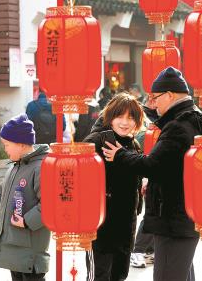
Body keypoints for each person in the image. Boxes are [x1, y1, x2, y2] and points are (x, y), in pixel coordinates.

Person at [102, 67, 202, 281]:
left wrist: (120, 154)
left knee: (167, 276)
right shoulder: (197, 119)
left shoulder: (178, 127)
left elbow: (152, 164)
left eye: (155, 98)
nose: (152, 103)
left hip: (173, 218)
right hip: (189, 213)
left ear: (170, 95)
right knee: (182, 273)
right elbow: (170, 164)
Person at [0, 114, 51, 281]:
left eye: (6, 145)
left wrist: (27, 221)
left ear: (20, 144)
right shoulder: (13, 168)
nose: (5, 149)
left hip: (30, 253)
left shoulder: (41, 168)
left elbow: (50, 203)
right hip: (14, 249)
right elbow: (0, 198)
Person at [83, 92, 144, 281]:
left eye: (131, 117)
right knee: (99, 276)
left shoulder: (133, 144)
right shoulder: (96, 142)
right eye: (120, 116)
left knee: (120, 275)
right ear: (110, 117)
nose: (125, 122)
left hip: (125, 226)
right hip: (101, 228)